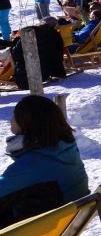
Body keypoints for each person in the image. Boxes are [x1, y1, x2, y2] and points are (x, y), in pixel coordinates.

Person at [0, 95, 89, 227]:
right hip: (64, 223)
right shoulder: (64, 149)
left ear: (27, 123)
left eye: (14, 116)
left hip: (35, 232)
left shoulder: (33, 163)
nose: (11, 120)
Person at [11, 18, 66, 90]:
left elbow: (15, 54)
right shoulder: (56, 36)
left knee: (12, 55)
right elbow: (59, 55)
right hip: (46, 72)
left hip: (27, 76)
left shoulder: (29, 33)